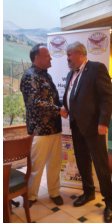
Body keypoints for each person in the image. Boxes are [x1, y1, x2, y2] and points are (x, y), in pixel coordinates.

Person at [63, 42, 112, 223]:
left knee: (101, 166)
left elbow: (107, 97)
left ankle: (110, 203)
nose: (67, 58)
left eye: (69, 54)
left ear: (79, 54)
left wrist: (103, 122)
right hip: (76, 126)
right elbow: (76, 97)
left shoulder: (96, 68)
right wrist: (67, 109)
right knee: (82, 161)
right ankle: (88, 193)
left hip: (94, 127)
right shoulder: (72, 73)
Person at [20, 44, 65, 205]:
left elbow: (51, 100)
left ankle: (53, 192)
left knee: (54, 164)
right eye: (47, 56)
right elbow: (35, 103)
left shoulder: (47, 76)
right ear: (37, 58)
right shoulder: (29, 76)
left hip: (55, 128)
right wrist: (59, 110)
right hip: (39, 130)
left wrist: (66, 104)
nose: (51, 58)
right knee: (36, 166)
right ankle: (31, 195)